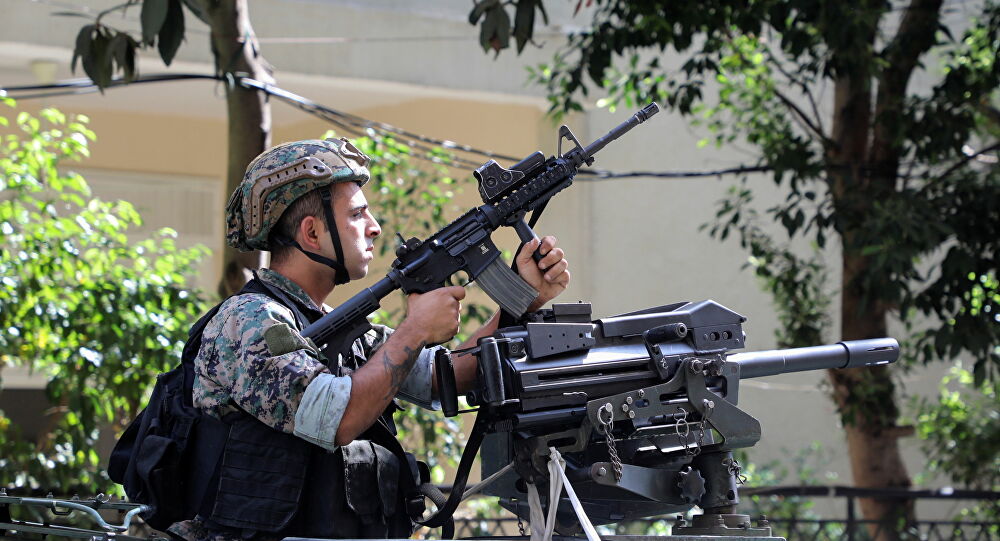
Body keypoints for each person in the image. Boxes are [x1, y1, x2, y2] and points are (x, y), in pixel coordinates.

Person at [167, 138, 570, 541]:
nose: (374, 226)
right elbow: (336, 419)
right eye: (357, 214)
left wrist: (520, 299)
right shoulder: (250, 321)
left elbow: (448, 375)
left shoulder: (339, 330)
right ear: (311, 232)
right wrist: (414, 329)